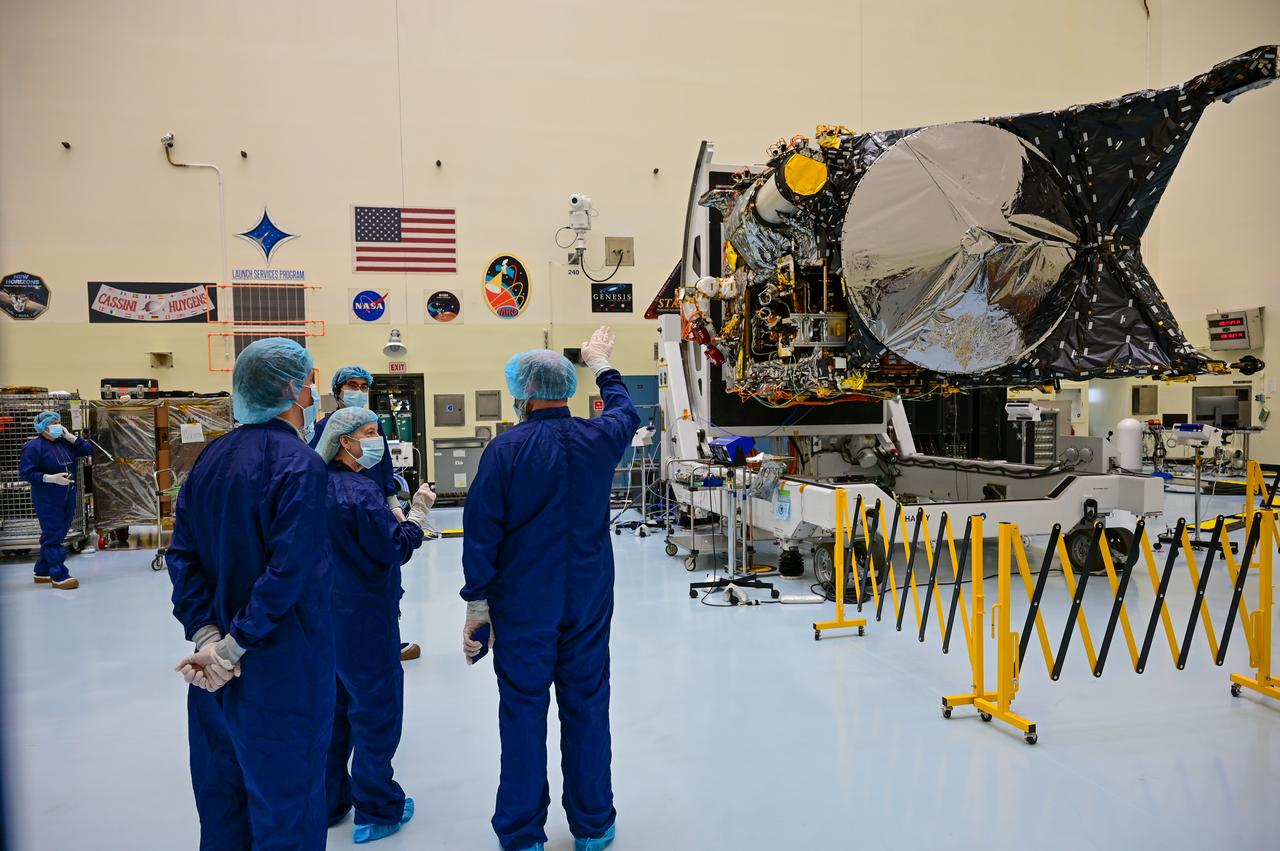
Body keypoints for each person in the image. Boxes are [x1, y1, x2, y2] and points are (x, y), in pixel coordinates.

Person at [461, 327, 638, 851]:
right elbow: (626, 412)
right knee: (586, 704)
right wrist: (602, 363)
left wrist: (477, 603)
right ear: (565, 387)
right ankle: (593, 823)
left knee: (521, 709)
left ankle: (520, 832)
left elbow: (482, 531)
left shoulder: (505, 451)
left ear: (523, 392)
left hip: (522, 606)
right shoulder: (599, 438)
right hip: (586, 599)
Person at [167, 337, 334, 850]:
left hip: (212, 674)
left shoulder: (211, 459)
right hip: (281, 668)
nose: (312, 392)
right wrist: (236, 646)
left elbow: (182, 557)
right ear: (290, 388)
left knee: (224, 808)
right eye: (308, 382)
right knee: (288, 807)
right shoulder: (299, 465)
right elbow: (289, 572)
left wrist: (209, 636)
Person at [316, 406, 436, 843]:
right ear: (344, 442)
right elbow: (393, 549)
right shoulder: (359, 493)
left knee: (334, 712)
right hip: (366, 616)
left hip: (325, 617)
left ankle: (330, 802)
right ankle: (377, 809)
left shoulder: (313, 485)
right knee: (375, 711)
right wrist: (418, 516)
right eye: (368, 433)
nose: (377, 441)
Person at [310, 365, 422, 662]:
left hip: (373, 508)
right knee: (348, 577)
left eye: (363, 386)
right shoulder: (324, 429)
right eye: (352, 385)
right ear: (337, 392)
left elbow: (383, 466)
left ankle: (385, 639)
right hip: (342, 511)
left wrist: (394, 506)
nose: (359, 392)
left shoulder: (374, 427)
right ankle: (352, 644)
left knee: (384, 575)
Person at [18, 411, 94, 589]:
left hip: (68, 495)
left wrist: (71, 437)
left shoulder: (64, 443)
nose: (57, 425)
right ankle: (59, 575)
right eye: (53, 423)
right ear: (42, 426)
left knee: (57, 533)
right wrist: (51, 478)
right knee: (54, 536)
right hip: (47, 498)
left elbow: (88, 450)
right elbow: (26, 472)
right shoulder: (34, 446)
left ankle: (42, 570)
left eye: (59, 422)